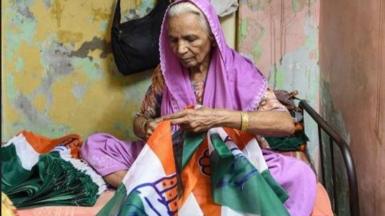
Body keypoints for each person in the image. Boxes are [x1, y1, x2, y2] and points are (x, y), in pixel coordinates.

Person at [81, 0, 317, 215]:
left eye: (190, 39)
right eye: (173, 40)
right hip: (172, 159)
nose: (180, 49)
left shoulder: (238, 70)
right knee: (95, 145)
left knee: (302, 176)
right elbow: (141, 118)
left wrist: (217, 118)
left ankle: (171, 188)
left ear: (212, 35)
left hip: (227, 161)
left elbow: (285, 124)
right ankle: (158, 187)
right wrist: (147, 127)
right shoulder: (165, 73)